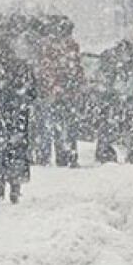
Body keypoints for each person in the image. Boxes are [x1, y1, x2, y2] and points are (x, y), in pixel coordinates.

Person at [0, 36, 36, 203]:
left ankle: (0, 180)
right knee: (17, 147)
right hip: (18, 114)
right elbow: (33, 92)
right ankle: (16, 184)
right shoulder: (24, 66)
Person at [31, 15, 84, 167]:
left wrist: (51, 87)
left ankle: (48, 156)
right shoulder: (69, 47)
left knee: (49, 126)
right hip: (66, 93)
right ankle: (67, 155)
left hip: (54, 93)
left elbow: (46, 70)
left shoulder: (48, 47)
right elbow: (76, 70)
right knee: (67, 126)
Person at [95, 39, 133, 163]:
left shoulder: (127, 63)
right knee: (107, 127)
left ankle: (105, 151)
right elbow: (105, 80)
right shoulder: (110, 63)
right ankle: (104, 152)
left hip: (119, 100)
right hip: (110, 99)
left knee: (110, 127)